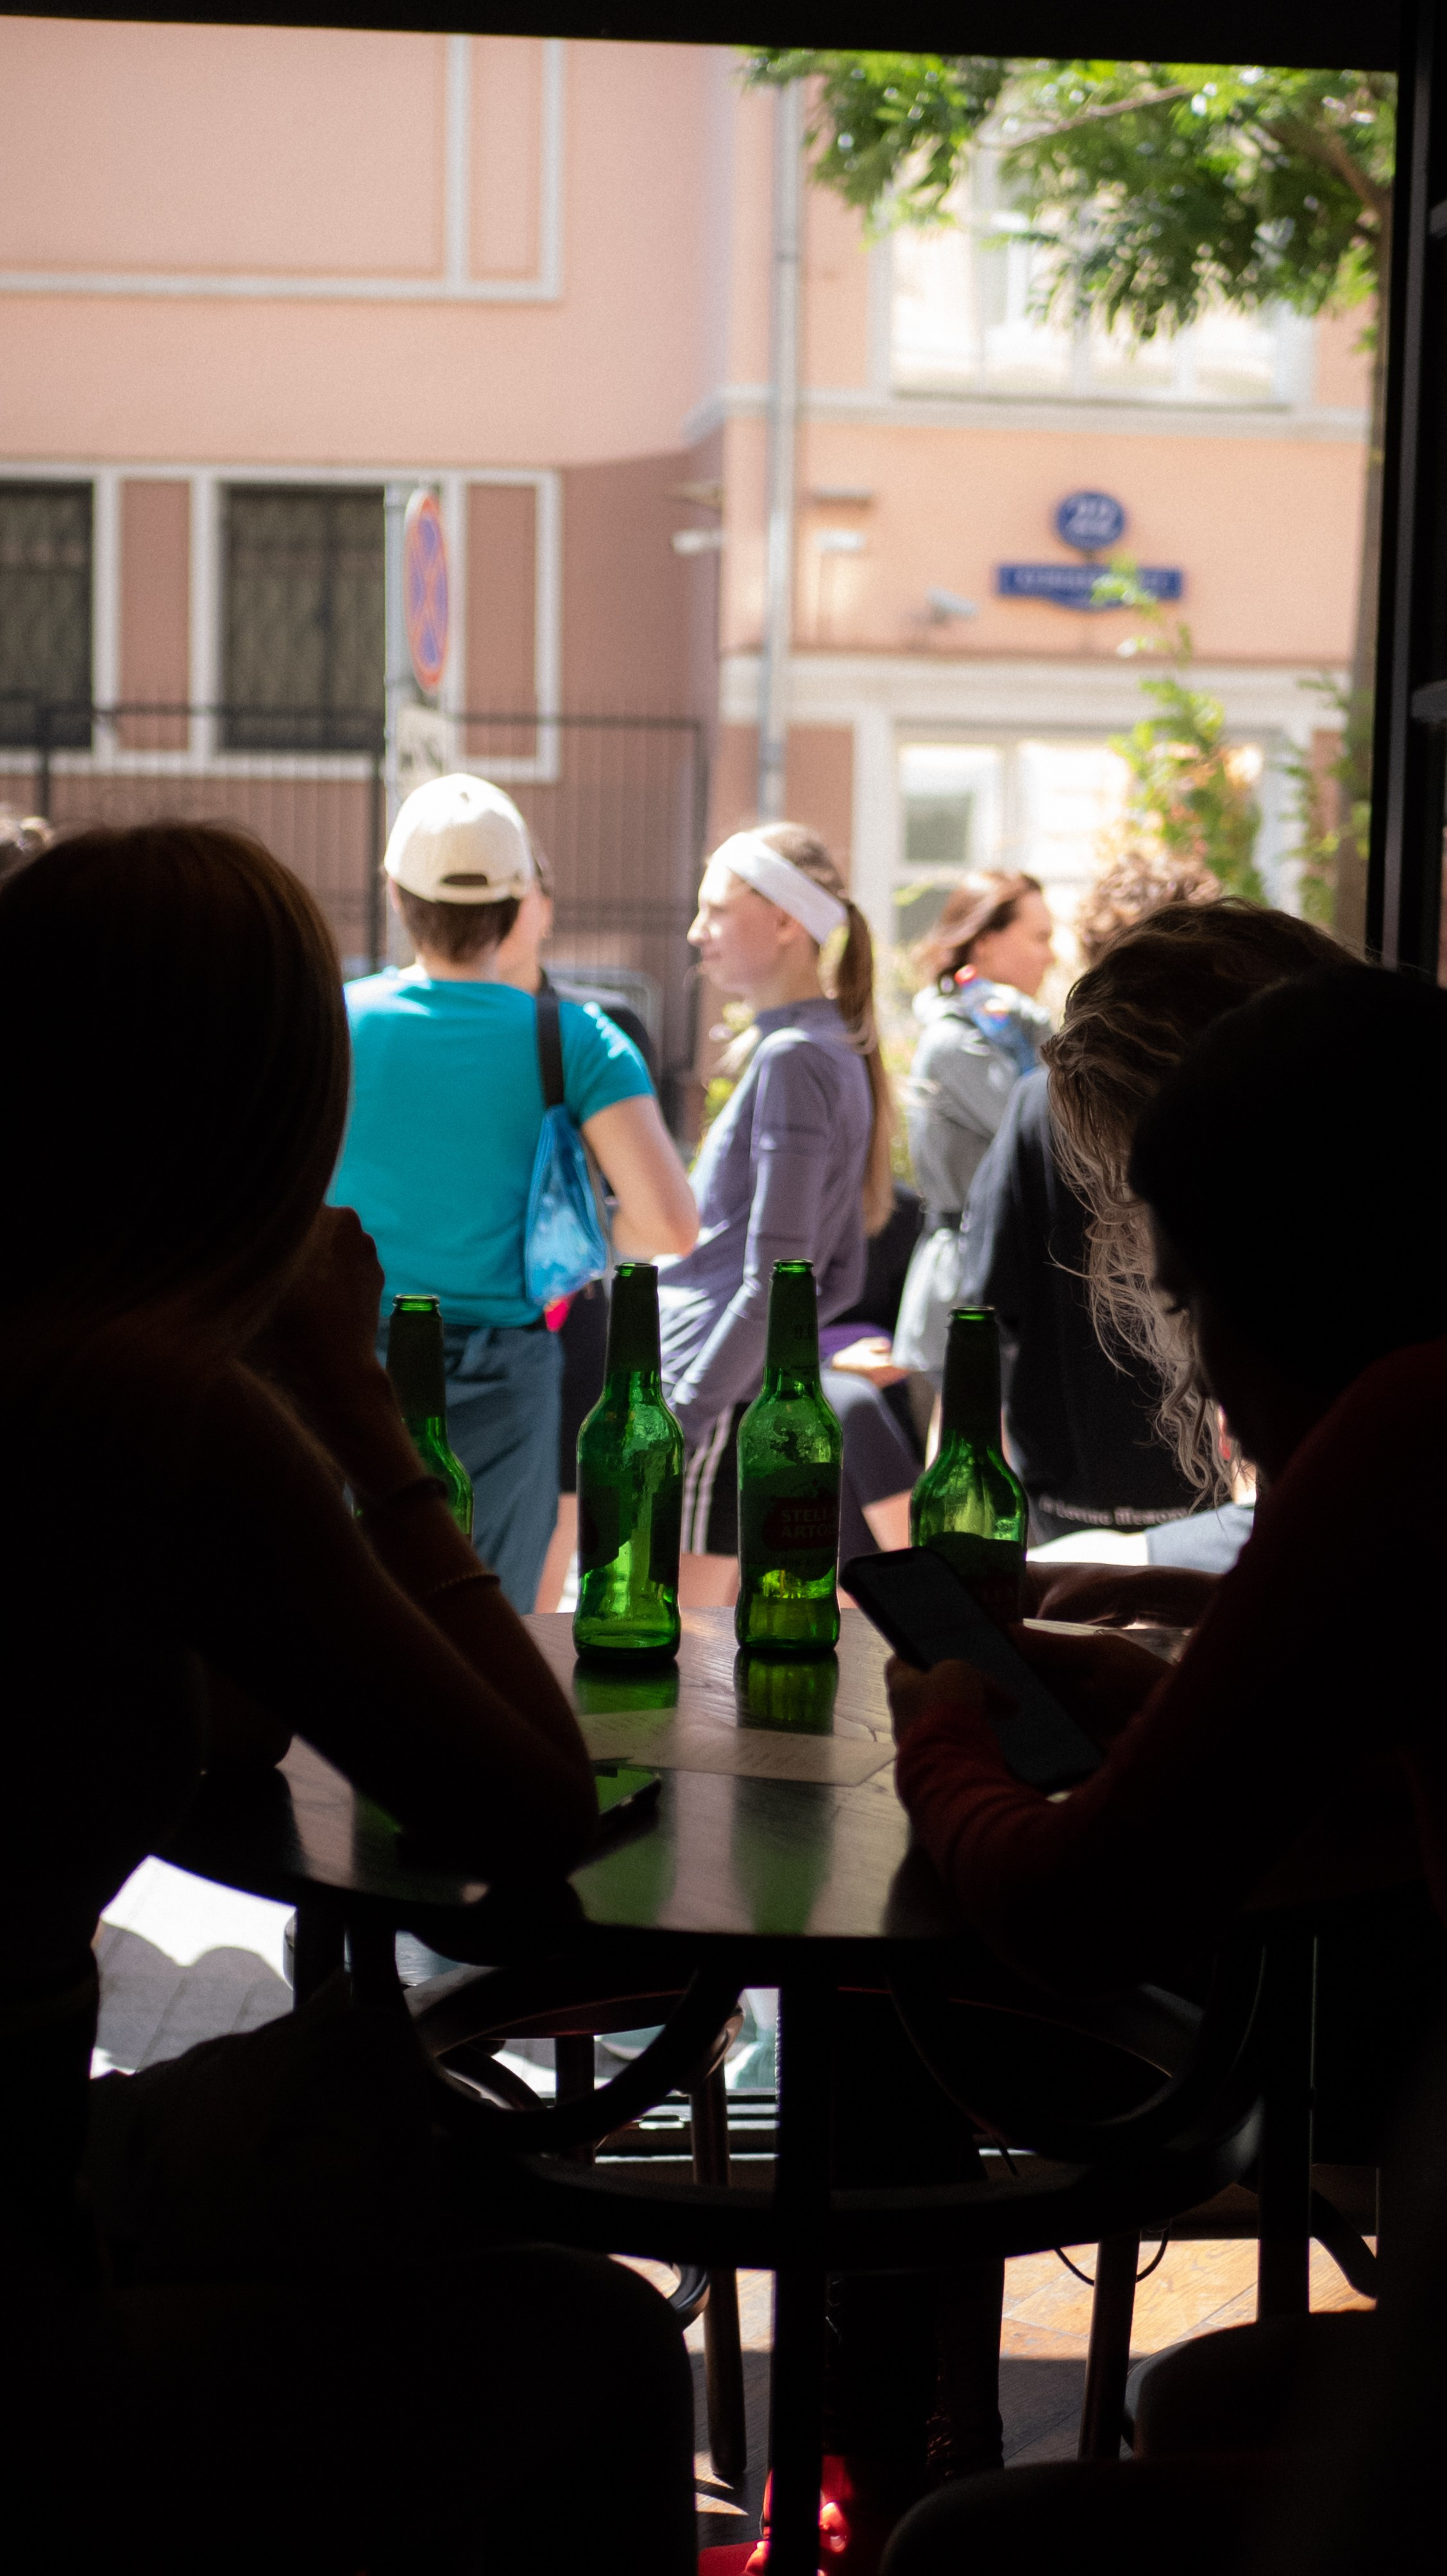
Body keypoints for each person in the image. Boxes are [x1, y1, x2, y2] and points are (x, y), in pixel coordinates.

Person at [0, 822, 695, 2572]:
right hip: (24, 2259)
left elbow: (222, 1717)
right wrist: (350, 1400)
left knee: (405, 2141)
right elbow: (531, 1812)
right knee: (593, 2333)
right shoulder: (148, 1406)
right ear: (262, 1110)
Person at [890, 963, 1447, 1995]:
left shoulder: (1407, 1430)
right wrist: (1186, 1658)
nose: (1192, 1368)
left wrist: (937, 1736)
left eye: (1189, 1304)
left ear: (1301, 1281)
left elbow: (1073, 1910)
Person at [330, 772, 697, 1610]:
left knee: (345, 1620)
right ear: (518, 901)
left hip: (345, 1366)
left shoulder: (334, 1022)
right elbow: (671, 1223)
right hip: (505, 1374)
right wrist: (583, 1241)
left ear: (396, 894)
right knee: (481, 1620)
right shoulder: (576, 1038)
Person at [954, 845, 1231, 1546]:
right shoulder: (1236, 1097)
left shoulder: (1037, 1103)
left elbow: (981, 1311)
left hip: (1067, 1508)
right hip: (1207, 1512)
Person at [659, 822, 894, 1602]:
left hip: (709, 1398)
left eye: (718, 909)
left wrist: (685, 1416)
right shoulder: (827, 1048)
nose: (699, 932)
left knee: (675, 1649)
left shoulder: (797, 1055)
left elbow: (778, 1277)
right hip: (731, 1386)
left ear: (789, 921)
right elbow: (835, 1275)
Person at [892, 872, 1054, 1385]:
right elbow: (1051, 1129)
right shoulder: (956, 1041)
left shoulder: (1014, 1032)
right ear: (985, 941)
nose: (1050, 956)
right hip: (966, 1289)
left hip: (999, 1281)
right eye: (1040, 938)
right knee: (969, 1455)